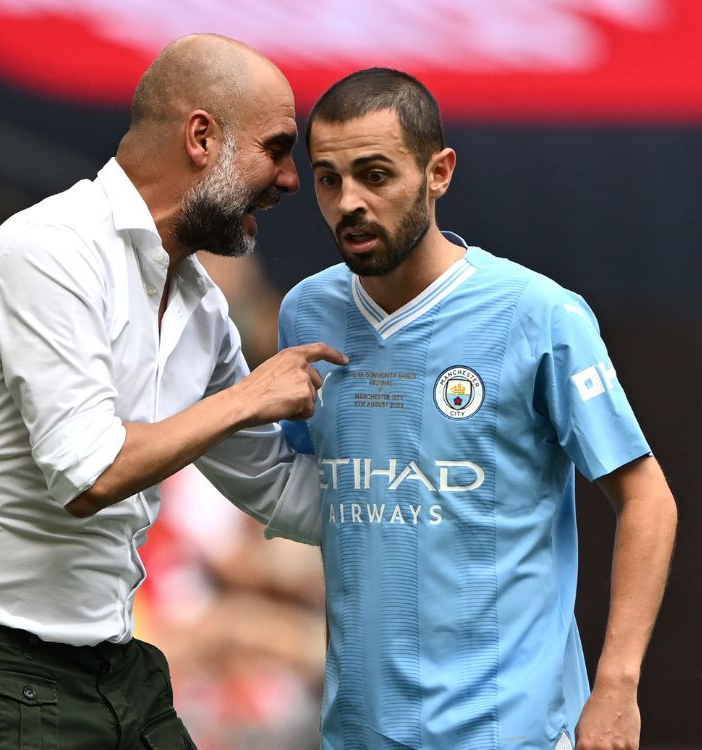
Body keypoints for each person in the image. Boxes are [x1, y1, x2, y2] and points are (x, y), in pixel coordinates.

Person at [0, 34, 344, 749]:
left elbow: (285, 490)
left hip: (112, 665)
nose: (290, 178)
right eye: (277, 147)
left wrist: (437, 495)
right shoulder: (49, 249)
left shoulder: (198, 307)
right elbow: (88, 472)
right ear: (202, 137)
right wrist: (250, 397)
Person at [278, 68, 678, 750]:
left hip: (512, 732)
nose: (348, 202)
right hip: (357, 734)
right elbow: (326, 505)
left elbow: (648, 500)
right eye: (327, 178)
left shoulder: (538, 314)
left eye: (375, 175)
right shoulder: (307, 314)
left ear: (439, 172)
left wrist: (617, 683)